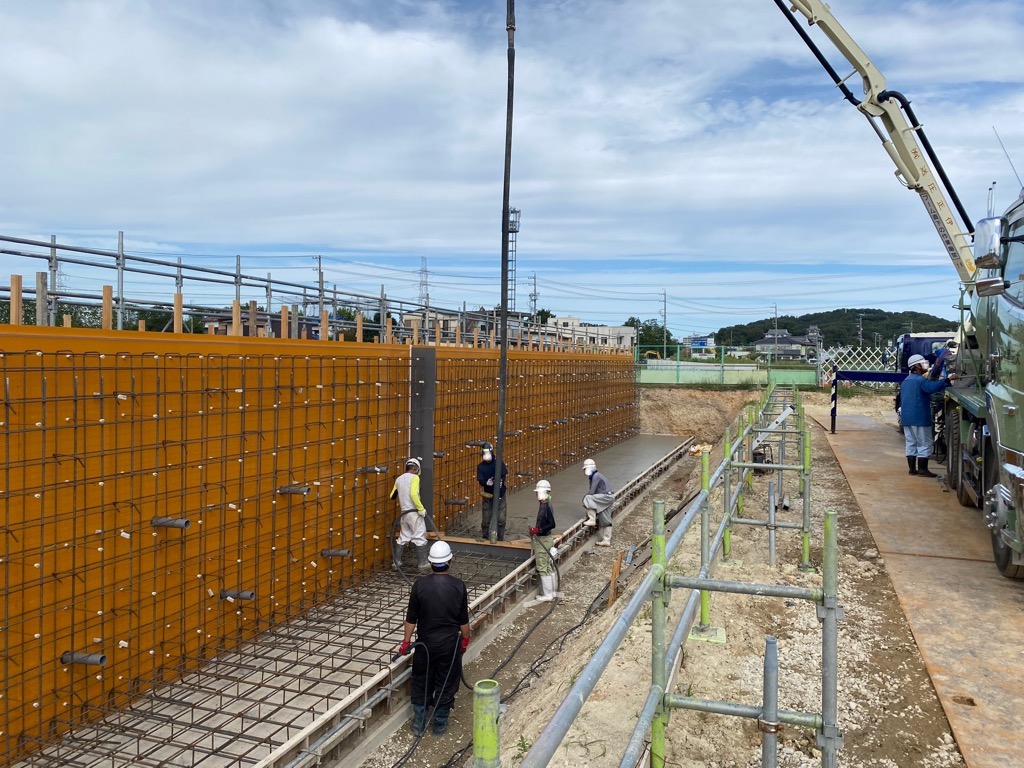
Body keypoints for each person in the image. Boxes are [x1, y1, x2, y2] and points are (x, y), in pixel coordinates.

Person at [396, 540, 471, 737]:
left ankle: (419, 724)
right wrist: (465, 640)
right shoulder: (458, 586)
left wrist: (405, 642)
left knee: (422, 680)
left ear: (430, 562)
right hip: (449, 645)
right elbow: (463, 620)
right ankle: (439, 725)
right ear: (450, 561)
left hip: (425, 646)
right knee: (446, 682)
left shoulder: (419, 586)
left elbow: (411, 619)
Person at [900, 354, 953, 478]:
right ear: (917, 366)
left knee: (911, 442)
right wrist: (947, 381)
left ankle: (912, 469)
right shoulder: (920, 380)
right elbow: (931, 388)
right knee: (924, 443)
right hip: (919, 417)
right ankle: (923, 469)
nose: (925, 365)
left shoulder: (906, 381)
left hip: (907, 418)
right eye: (923, 363)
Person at [390, 458, 430, 570]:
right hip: (413, 513)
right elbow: (413, 494)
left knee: (404, 536)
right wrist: (421, 508)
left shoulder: (399, 479)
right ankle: (423, 563)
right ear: (416, 469)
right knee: (420, 536)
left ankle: (396, 562)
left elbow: (392, 496)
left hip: (404, 514)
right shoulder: (415, 478)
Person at [529, 479, 560, 603]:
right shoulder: (546, 504)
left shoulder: (545, 506)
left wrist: (538, 529)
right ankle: (552, 593)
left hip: (543, 539)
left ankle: (548, 595)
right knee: (548, 566)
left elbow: (552, 524)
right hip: (546, 539)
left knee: (542, 567)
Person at [476, 441, 508, 541]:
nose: (486, 455)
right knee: (486, 519)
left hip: (500, 494)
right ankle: (485, 537)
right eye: (484, 453)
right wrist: (486, 483)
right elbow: (481, 481)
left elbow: (503, 474)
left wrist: (500, 481)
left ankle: (500, 538)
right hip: (488, 495)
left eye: (487, 453)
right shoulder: (481, 467)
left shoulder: (498, 463)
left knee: (501, 519)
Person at [582, 458, 615, 546]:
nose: (584, 471)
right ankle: (606, 540)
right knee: (605, 518)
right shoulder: (596, 476)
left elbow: (591, 492)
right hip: (609, 497)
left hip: (606, 497)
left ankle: (592, 519)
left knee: (587, 498)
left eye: (585, 469)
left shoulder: (596, 476)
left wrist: (586, 502)